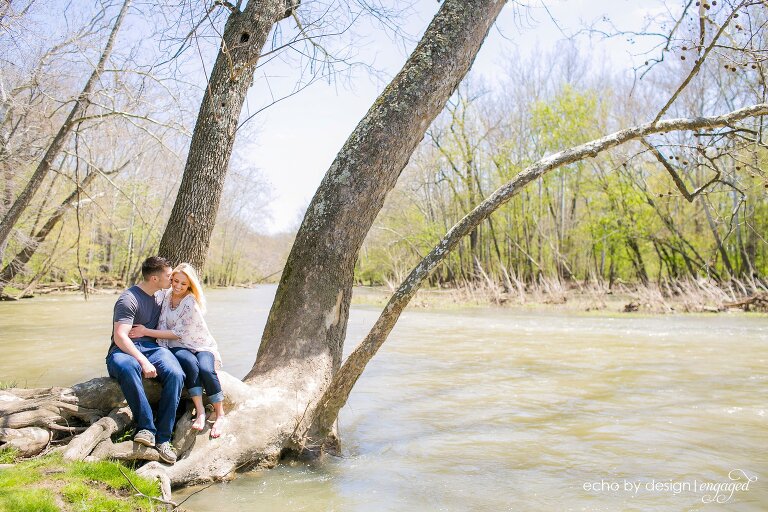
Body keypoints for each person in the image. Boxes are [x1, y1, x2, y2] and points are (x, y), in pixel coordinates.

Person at [128, 263, 226, 438]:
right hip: (178, 346)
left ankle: (220, 414)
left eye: (184, 284)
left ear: (190, 286)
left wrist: (145, 331)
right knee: (188, 363)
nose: (178, 286)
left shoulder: (190, 302)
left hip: (199, 344)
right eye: (175, 281)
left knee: (205, 368)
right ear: (171, 279)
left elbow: (177, 333)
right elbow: (161, 318)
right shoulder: (166, 296)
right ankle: (201, 411)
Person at [106, 256, 184, 464]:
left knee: (176, 373)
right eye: (168, 276)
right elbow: (120, 336)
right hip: (123, 351)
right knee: (128, 366)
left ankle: (163, 439)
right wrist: (143, 362)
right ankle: (146, 428)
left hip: (153, 348)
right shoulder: (128, 299)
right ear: (154, 279)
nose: (172, 279)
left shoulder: (161, 295)